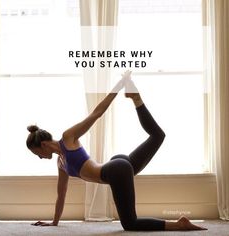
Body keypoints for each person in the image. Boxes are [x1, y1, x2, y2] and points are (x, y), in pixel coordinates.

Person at [26, 71, 207, 231]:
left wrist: (118, 86)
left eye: (37, 154)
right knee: (157, 136)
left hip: (115, 170)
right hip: (116, 167)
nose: (40, 158)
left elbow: (96, 113)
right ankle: (136, 98)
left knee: (130, 224)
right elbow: (61, 194)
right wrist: (54, 222)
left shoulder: (68, 138)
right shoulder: (60, 163)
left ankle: (179, 224)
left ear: (42, 145)